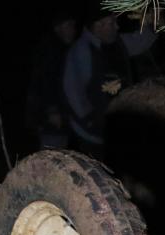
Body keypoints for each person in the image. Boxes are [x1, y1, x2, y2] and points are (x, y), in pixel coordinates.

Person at [62, 10, 156, 156]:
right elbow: (73, 90)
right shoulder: (82, 51)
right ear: (98, 26)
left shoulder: (117, 43)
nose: (117, 27)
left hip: (117, 129)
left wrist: (153, 25)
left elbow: (139, 42)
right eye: (112, 23)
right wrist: (91, 120)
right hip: (92, 135)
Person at [25, 10, 78, 149]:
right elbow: (46, 81)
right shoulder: (51, 49)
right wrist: (52, 111)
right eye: (68, 26)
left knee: (60, 153)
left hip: (60, 115)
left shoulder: (65, 49)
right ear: (57, 28)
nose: (72, 30)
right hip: (50, 117)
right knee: (52, 154)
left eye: (73, 25)